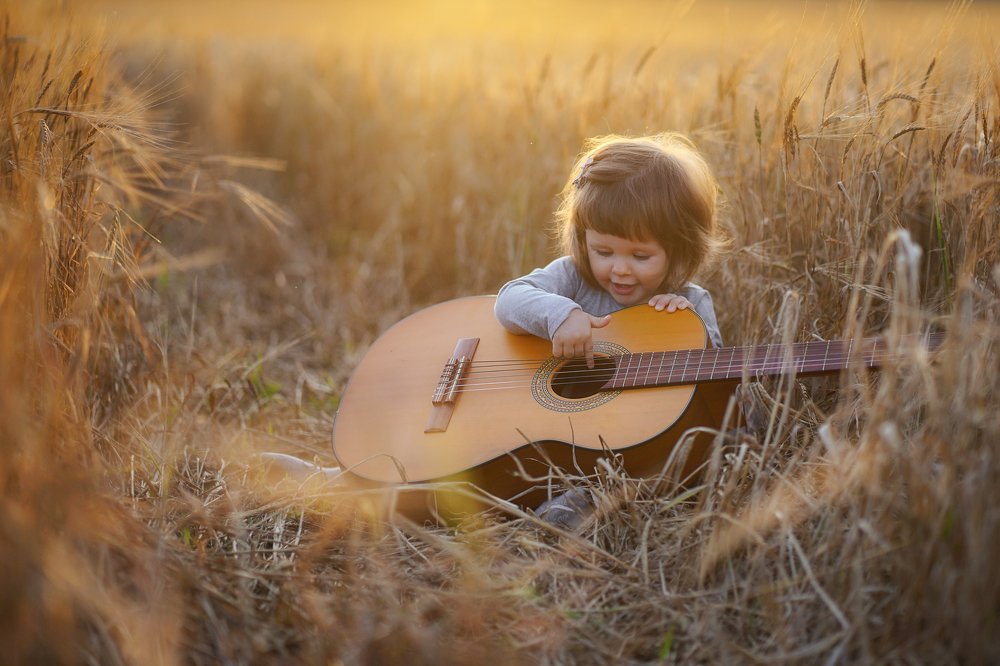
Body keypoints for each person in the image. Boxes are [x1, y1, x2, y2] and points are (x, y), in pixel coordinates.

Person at [494, 133, 725, 528]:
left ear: (680, 249)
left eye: (640, 256)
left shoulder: (690, 303)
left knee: (653, 467)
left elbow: (717, 394)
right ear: (584, 240)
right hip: (554, 434)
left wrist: (686, 331)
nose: (619, 269)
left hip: (628, 453)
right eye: (604, 251)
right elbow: (509, 300)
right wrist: (560, 314)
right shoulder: (573, 278)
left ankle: (585, 502)